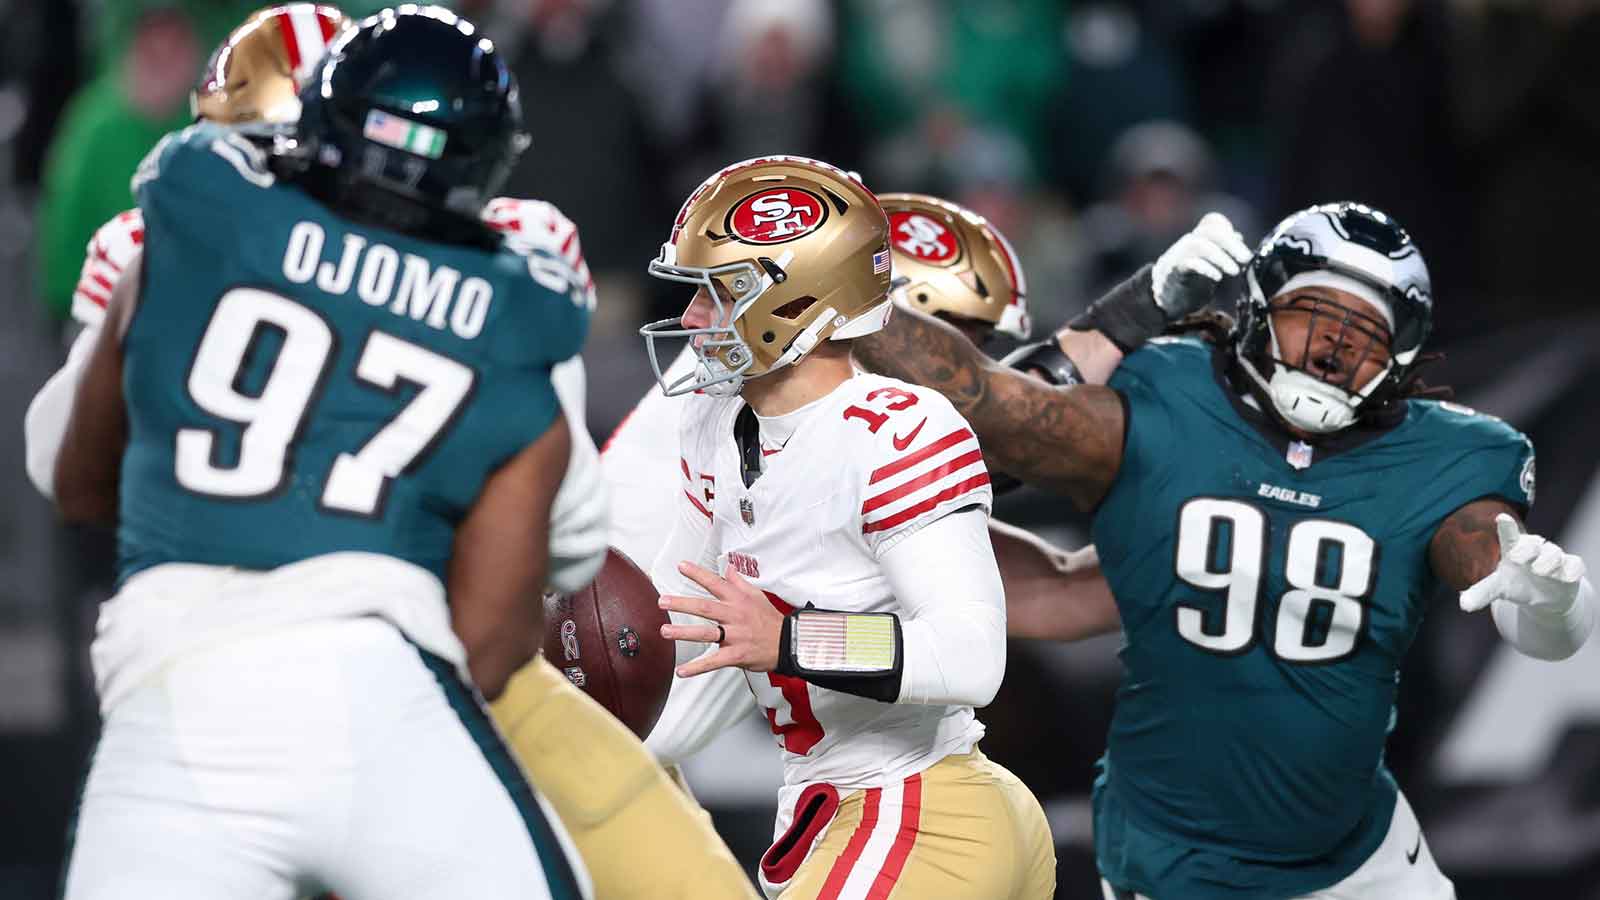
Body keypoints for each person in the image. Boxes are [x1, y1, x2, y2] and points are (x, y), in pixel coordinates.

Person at [26, 7, 754, 898]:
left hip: (177, 690)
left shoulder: (183, 214)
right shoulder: (515, 284)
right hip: (401, 676)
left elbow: (68, 475)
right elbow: (544, 573)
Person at [851, 201, 1595, 898]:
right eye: (1313, 312)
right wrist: (840, 273)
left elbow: (1504, 580)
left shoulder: (1451, 454)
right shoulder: (1168, 395)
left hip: (1360, 860)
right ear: (1259, 310)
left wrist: (1550, 601)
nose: (1335, 346)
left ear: (1401, 357)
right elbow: (987, 415)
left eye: (1366, 332)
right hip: (1173, 858)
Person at [639, 156, 1055, 899]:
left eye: (717, 291)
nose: (693, 317)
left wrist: (789, 639)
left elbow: (971, 657)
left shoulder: (896, 427)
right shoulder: (713, 419)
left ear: (794, 300)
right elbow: (674, 623)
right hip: (837, 805)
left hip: (921, 806)